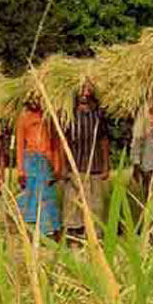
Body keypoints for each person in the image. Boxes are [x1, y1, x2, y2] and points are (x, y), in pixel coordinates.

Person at [60, 80, 110, 240]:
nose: (83, 93)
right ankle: (74, 233)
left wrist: (106, 165)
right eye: (80, 89)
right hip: (75, 164)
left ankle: (95, 234)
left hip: (94, 164)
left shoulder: (99, 114)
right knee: (73, 201)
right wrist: (63, 165)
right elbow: (64, 140)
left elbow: (104, 140)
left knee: (95, 202)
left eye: (86, 89)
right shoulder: (69, 115)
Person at [16, 98, 61, 237]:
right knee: (32, 195)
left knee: (47, 195)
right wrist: (20, 169)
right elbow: (19, 145)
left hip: (46, 160)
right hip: (31, 160)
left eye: (38, 98)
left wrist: (57, 164)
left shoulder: (49, 117)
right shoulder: (23, 119)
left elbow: (55, 143)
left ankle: (49, 229)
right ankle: (33, 231)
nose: (35, 101)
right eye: (32, 98)